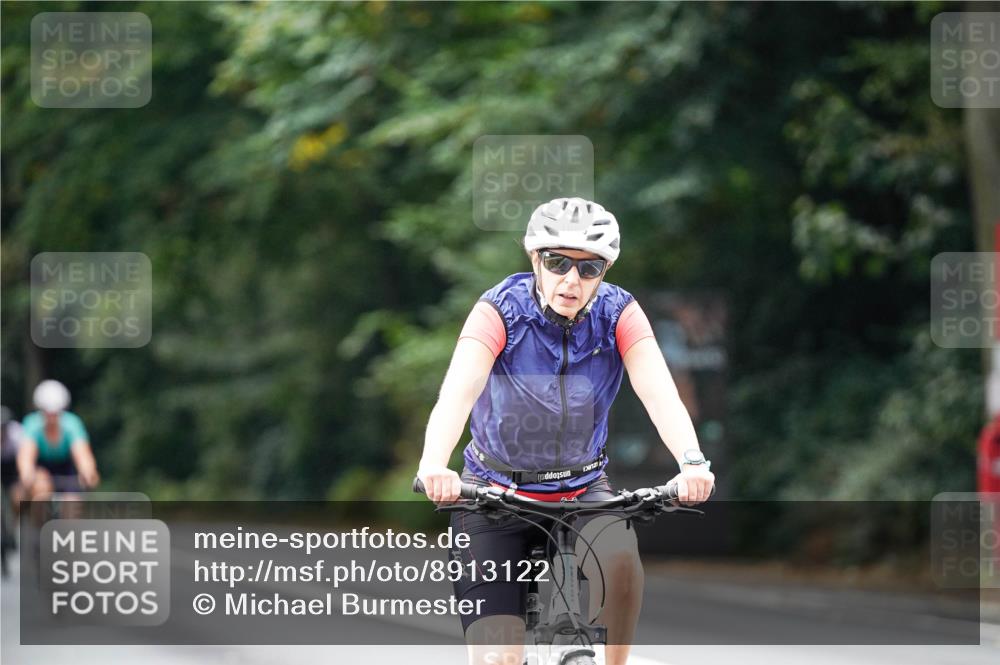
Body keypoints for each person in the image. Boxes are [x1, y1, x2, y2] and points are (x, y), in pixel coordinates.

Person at [416, 197, 715, 665]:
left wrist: (692, 461)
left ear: (606, 270)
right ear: (535, 259)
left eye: (590, 268)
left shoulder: (619, 313)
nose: (571, 281)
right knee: (498, 659)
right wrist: (434, 464)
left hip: (582, 488)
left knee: (620, 559)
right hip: (493, 494)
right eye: (557, 263)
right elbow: (458, 391)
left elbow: (658, 391)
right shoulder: (498, 310)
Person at [17, 380, 100, 504]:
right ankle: (39, 521)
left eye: (55, 413)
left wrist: (88, 472)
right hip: (41, 470)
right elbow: (26, 457)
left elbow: (83, 454)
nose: (51, 417)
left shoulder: (72, 424)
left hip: (66, 470)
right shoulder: (32, 424)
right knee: (40, 494)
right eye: (48, 413)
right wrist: (27, 474)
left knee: (72, 503)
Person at [1, 406, 23, 577]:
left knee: (17, 499)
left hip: (13, 471)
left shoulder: (17, 435)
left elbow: (25, 461)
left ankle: (13, 528)